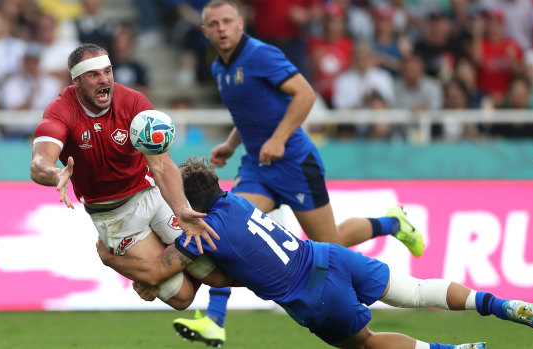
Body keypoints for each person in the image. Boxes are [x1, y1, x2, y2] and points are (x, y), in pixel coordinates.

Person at [97, 157, 533, 349]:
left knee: (369, 344)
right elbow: (228, 273)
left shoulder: (203, 234)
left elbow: (164, 270)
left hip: (313, 297)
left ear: (189, 204)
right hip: (330, 258)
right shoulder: (238, 201)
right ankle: (497, 305)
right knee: (415, 290)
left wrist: (112, 256)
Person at [172, 1, 424, 346]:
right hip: (258, 168)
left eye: (227, 21)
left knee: (331, 240)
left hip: (294, 163)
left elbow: (305, 95)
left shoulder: (261, 55)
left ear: (241, 24)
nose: (221, 28)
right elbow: (249, 111)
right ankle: (214, 321)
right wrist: (232, 144)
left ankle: (392, 223)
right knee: (223, 226)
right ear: (205, 31)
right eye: (213, 23)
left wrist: (278, 138)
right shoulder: (220, 68)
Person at [29, 42, 219, 310]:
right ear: (76, 81)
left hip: (151, 193)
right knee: (183, 298)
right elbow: (39, 162)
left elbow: (161, 164)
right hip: (114, 217)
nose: (104, 79)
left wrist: (180, 209)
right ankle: (112, 258)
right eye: (94, 75)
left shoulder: (134, 102)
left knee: (215, 273)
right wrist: (56, 172)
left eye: (107, 71)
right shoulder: (61, 111)